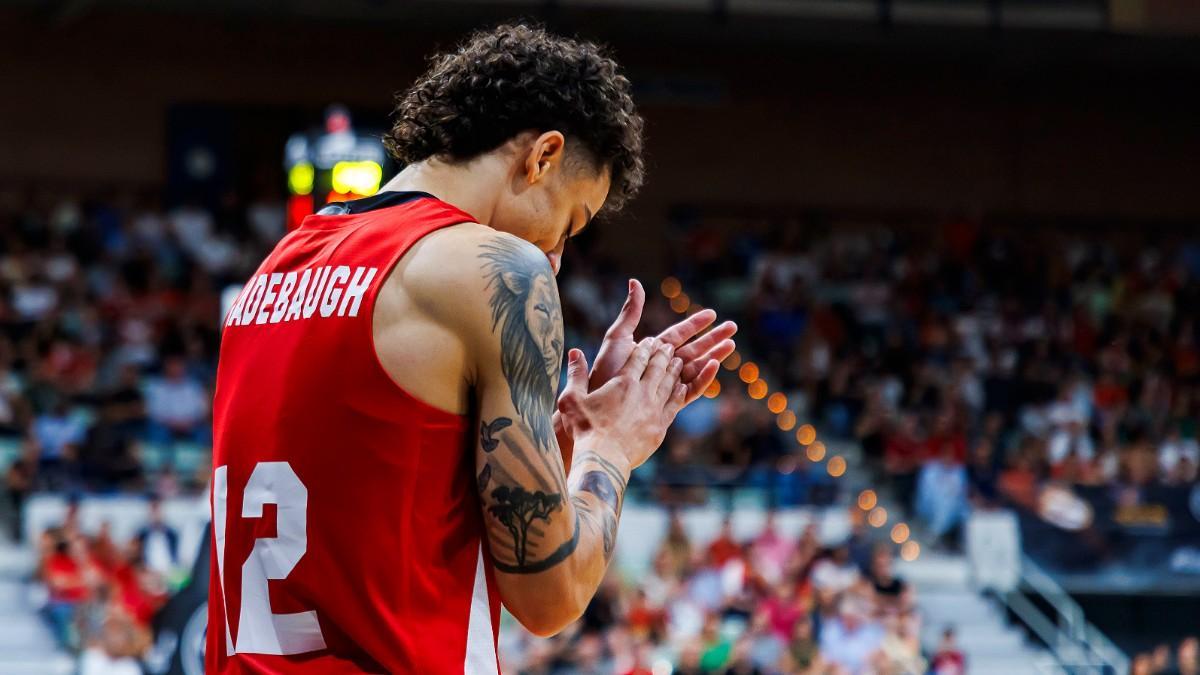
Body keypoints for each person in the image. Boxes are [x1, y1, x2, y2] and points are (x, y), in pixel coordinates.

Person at [208, 23, 736, 674]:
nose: (556, 254)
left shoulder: (275, 268)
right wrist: (611, 448)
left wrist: (557, 443)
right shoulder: (500, 271)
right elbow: (549, 597)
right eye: (569, 222)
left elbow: (378, 505)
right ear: (542, 155)